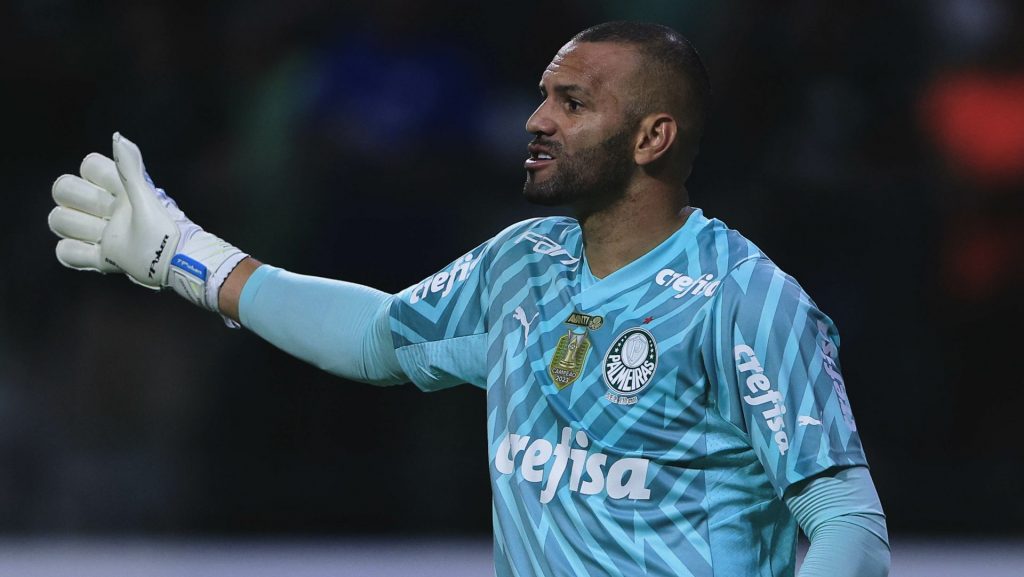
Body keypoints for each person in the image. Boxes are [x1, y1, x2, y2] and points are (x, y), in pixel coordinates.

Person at [48, 21, 890, 577]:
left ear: (652, 136)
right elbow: (379, 336)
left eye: (571, 102)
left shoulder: (745, 296)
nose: (535, 118)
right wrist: (185, 256)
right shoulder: (523, 263)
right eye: (541, 95)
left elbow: (848, 525)